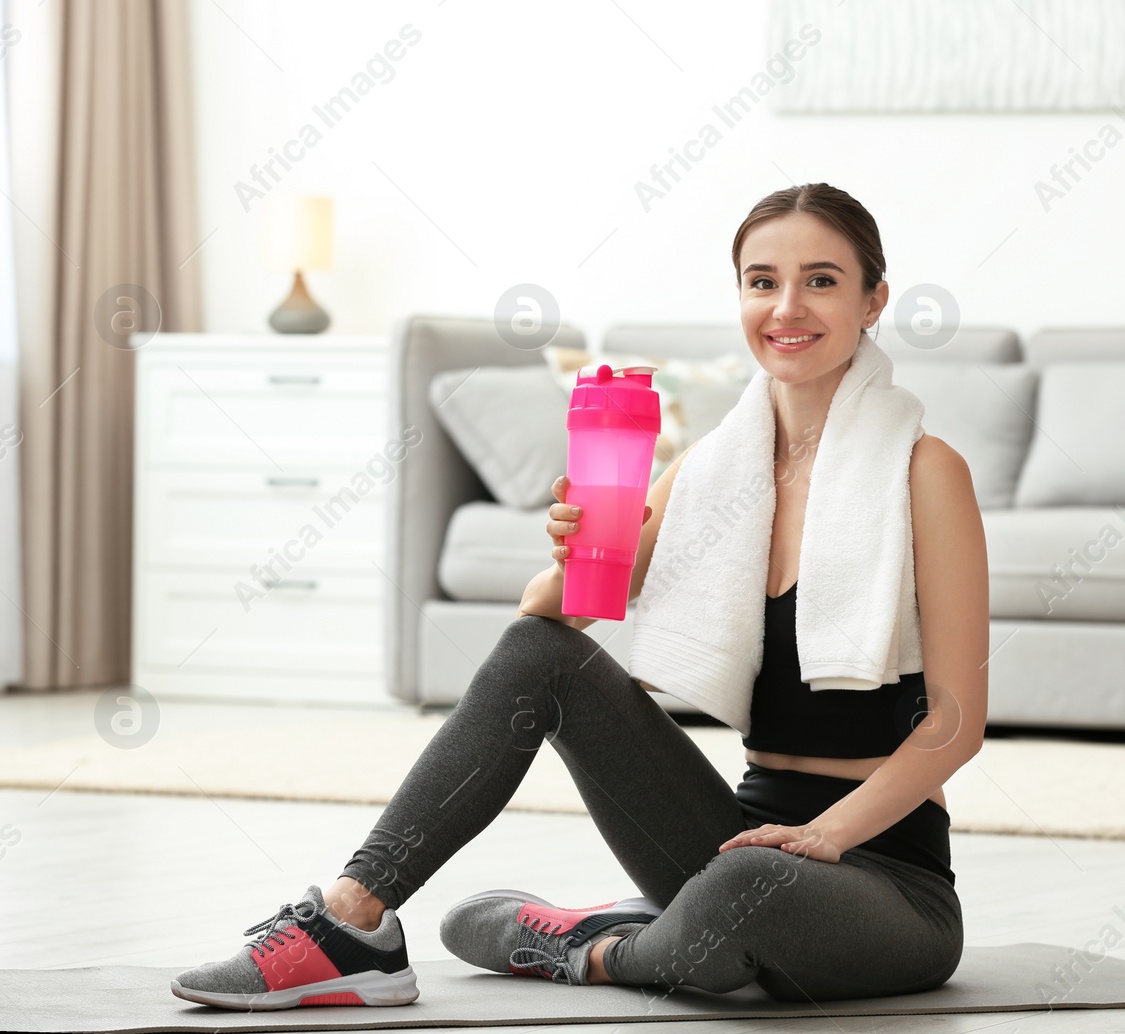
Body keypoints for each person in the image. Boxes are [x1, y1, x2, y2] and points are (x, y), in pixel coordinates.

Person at [170, 182, 990, 1011]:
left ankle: (590, 949)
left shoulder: (925, 473)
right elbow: (547, 626)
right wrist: (579, 552)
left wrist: (823, 837)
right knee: (543, 661)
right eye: (760, 281)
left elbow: (956, 726)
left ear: (872, 300)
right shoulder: (715, 470)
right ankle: (353, 922)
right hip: (736, 835)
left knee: (743, 887)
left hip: (884, 879)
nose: (786, 306)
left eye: (820, 280)